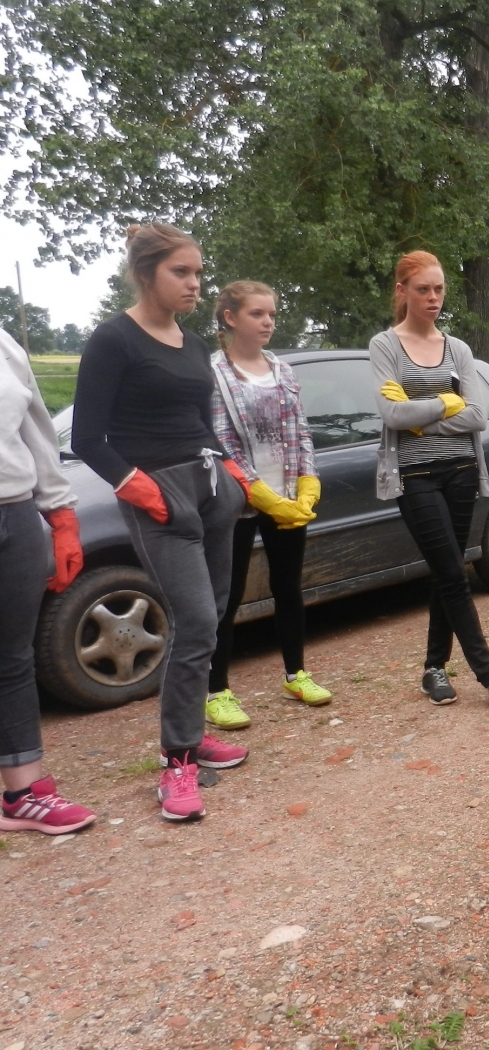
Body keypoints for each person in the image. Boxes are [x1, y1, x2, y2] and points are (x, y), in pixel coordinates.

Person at [72, 224, 250, 822]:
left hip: (211, 489)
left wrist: (232, 473)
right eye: (182, 273)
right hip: (160, 497)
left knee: (214, 614)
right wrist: (142, 489)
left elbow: (202, 423)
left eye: (199, 273)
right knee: (196, 618)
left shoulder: (195, 344)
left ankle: (193, 732)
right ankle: (177, 762)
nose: (196, 284)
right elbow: (87, 438)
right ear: (146, 273)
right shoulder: (113, 340)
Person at [371, 250, 489, 712]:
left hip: (462, 470)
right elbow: (392, 414)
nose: (433, 297)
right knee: (452, 574)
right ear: (402, 291)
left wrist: (422, 415)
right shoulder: (385, 346)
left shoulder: (458, 349)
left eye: (439, 289)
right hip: (415, 474)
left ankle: (433, 669)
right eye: (423, 289)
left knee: (447, 572)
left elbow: (480, 416)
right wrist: (447, 403)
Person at [206, 281, 330, 730]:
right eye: (257, 314)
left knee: (289, 587)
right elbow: (221, 442)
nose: (268, 322)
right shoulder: (215, 372)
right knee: (229, 593)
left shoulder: (282, 369)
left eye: (272, 314)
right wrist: (259, 493)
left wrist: (307, 481)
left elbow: (301, 431)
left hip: (289, 497)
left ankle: (296, 674)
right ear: (230, 318)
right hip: (239, 500)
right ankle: (217, 690)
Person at [0, 329, 97, 836]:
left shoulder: (4, 343)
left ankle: (20, 794)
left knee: (12, 658)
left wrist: (61, 514)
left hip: (13, 512)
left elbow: (37, 426)